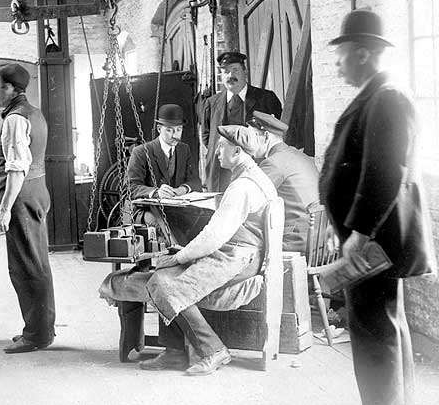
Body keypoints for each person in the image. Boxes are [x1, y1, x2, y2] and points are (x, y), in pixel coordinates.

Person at [320, 9, 435, 405]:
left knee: (373, 337)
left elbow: (383, 173)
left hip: (373, 243)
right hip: (372, 238)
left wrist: (359, 233)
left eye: (342, 55)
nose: (337, 67)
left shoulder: (386, 97)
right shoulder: (380, 96)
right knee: (387, 327)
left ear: (363, 54)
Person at [136, 124, 278, 376]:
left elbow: (214, 237)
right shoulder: (256, 177)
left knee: (166, 282)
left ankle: (212, 350)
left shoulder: (242, 188)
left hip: (238, 258)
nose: (216, 153)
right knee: (165, 274)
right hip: (241, 254)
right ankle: (175, 352)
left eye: (221, 148)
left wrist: (180, 255)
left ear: (237, 152)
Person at [0, 63, 55, 354]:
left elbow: (16, 170)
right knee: (36, 262)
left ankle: (37, 335)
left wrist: (4, 211)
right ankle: (39, 329)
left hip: (22, 196)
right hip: (37, 191)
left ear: (14, 90)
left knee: (26, 266)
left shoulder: (16, 119)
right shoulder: (34, 112)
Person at [227, 111, 320, 255]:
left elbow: (244, 198)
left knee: (238, 242)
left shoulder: (273, 162)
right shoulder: (301, 156)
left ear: (266, 136)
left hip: (296, 243)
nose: (249, 143)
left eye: (252, 137)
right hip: (320, 241)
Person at [201, 51, 282, 192]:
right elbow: (207, 137)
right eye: (225, 72)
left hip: (258, 172)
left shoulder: (266, 99)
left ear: (245, 71)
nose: (230, 76)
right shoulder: (211, 103)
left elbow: (279, 135)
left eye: (235, 70)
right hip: (221, 175)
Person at [126, 104, 201, 225]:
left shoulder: (184, 149)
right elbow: (130, 188)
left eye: (179, 130)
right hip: (147, 210)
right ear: (159, 129)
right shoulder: (141, 152)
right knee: (163, 227)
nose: (175, 135)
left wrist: (183, 189)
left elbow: (195, 181)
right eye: (169, 130)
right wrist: (156, 192)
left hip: (177, 209)